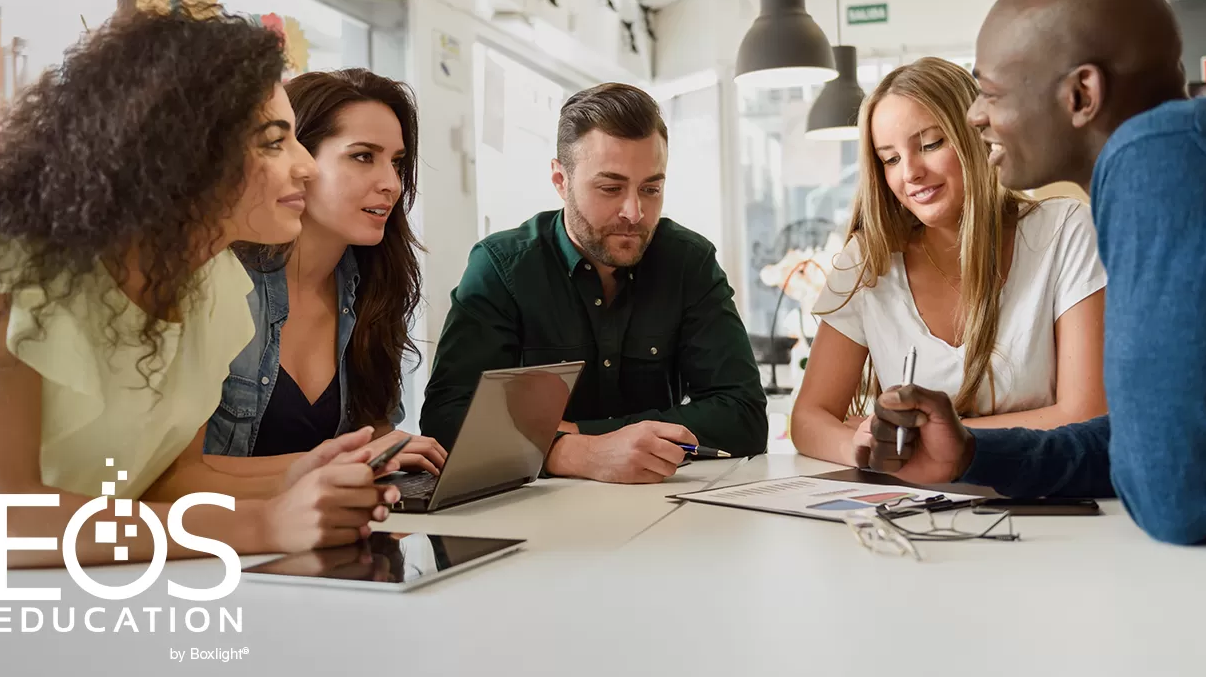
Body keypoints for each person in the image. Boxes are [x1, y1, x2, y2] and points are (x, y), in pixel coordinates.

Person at [0, 9, 401, 581]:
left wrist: (298, 477)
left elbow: (170, 480)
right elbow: (6, 524)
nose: (307, 168)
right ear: (182, 153)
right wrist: (266, 522)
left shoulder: (213, 285)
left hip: (64, 590)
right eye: (273, 143)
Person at [865, 0, 1206, 544]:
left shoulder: (1157, 162)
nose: (976, 116)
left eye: (991, 92)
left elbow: (1175, 499)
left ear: (1082, 93)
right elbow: (1145, 436)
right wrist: (971, 453)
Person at [421, 83, 767, 484]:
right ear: (560, 180)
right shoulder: (503, 268)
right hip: (537, 524)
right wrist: (572, 453)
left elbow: (744, 417)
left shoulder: (689, 262)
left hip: (663, 514)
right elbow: (446, 420)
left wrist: (580, 433)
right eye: (611, 188)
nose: (635, 212)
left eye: (651, 189)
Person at [790, 57, 1107, 466]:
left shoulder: (1066, 232)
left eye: (930, 144)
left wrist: (931, 438)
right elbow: (809, 418)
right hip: (914, 508)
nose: (911, 173)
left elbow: (1086, 416)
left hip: (1043, 501)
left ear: (974, 134)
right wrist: (860, 444)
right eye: (890, 159)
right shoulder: (867, 262)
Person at [200, 69, 446, 476]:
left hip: (324, 530)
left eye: (397, 162)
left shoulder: (374, 284)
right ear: (297, 160)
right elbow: (172, 475)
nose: (391, 184)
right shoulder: (222, 283)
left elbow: (376, 438)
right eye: (363, 156)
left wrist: (385, 458)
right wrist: (343, 463)